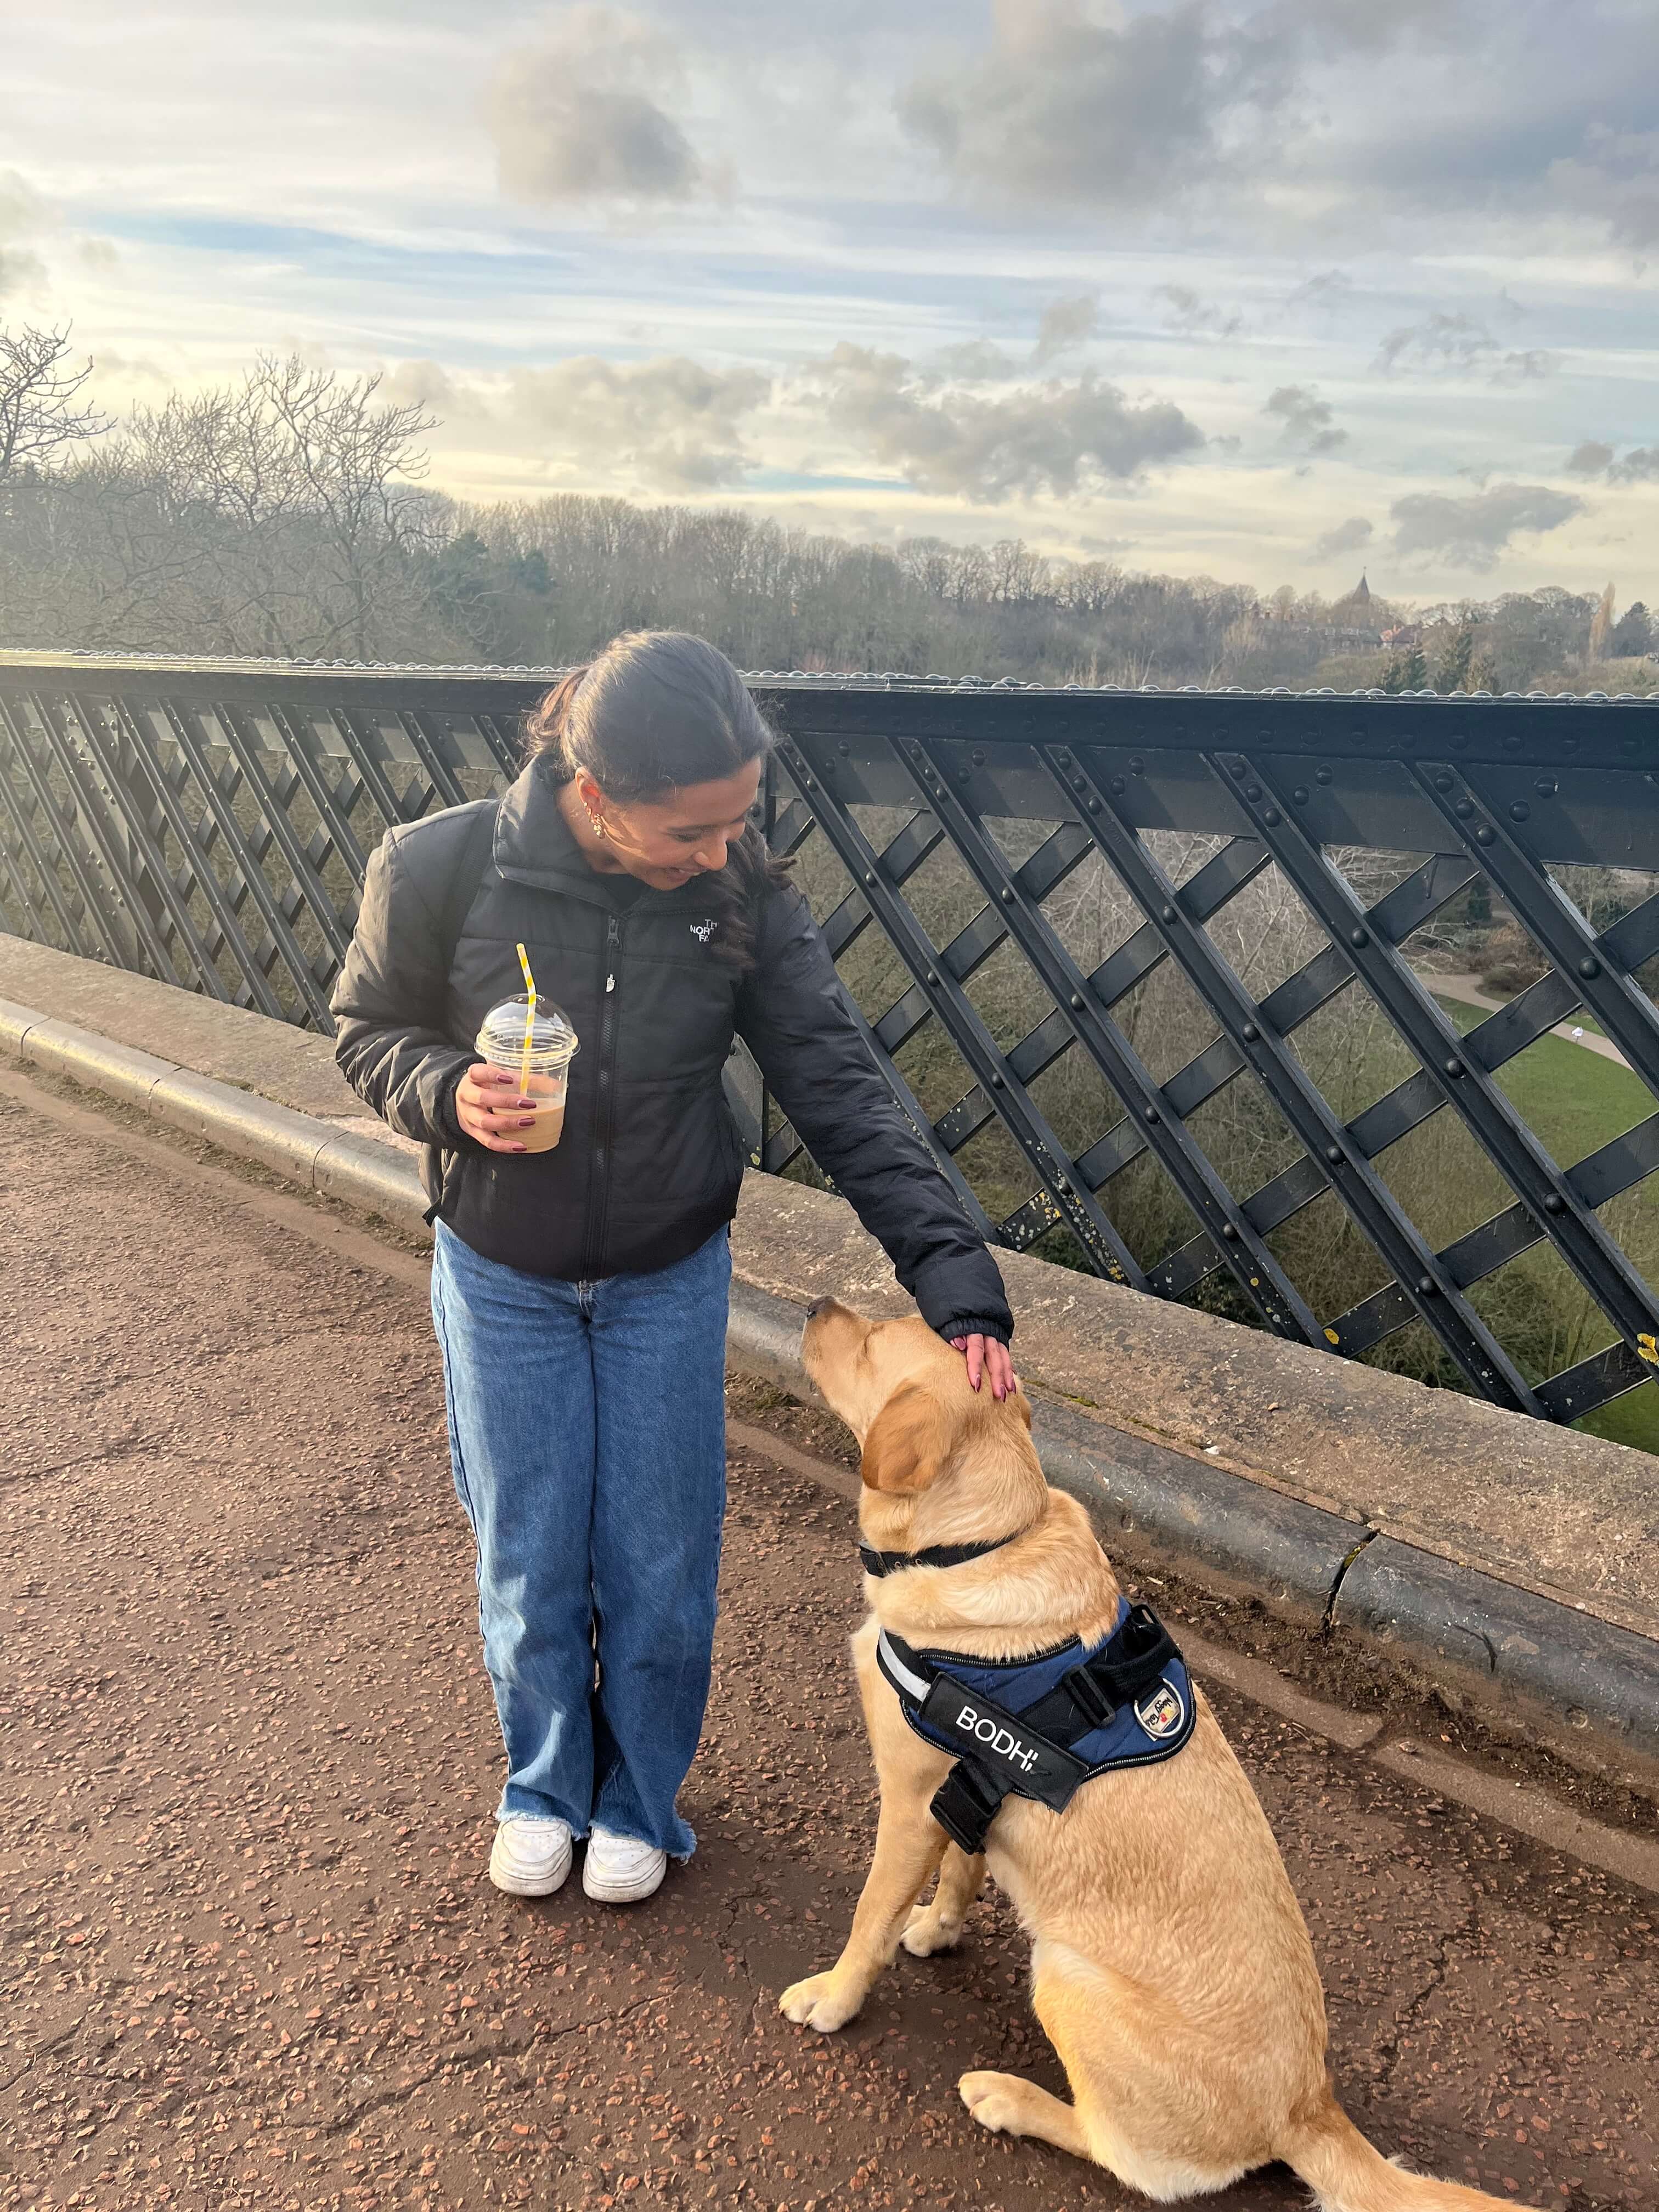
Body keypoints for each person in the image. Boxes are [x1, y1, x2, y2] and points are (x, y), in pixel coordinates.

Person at [331, 630, 1014, 1906]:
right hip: (503, 1272)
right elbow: (367, 1028)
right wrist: (444, 1094)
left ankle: (641, 1796)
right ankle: (543, 1780)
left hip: (665, 1272)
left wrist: (956, 1281)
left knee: (658, 1558)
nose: (721, 853)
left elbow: (839, 1086)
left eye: (738, 822)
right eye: (689, 832)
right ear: (595, 792)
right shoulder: (437, 865)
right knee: (531, 1552)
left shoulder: (739, 895)